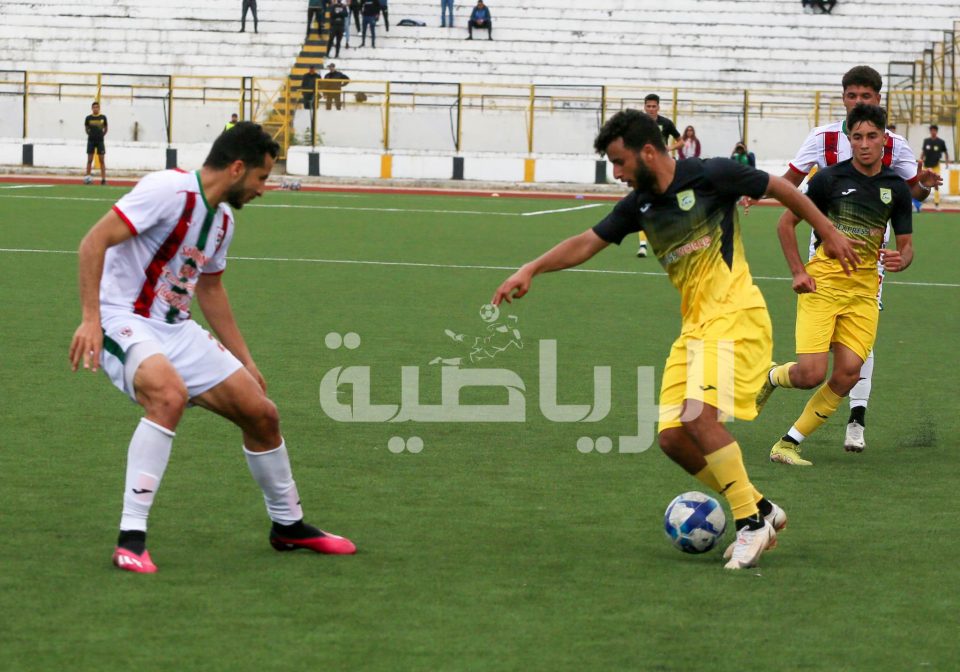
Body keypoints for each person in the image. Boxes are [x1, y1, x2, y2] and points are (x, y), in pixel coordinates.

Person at [490, 109, 862, 570]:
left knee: (699, 417)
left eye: (620, 162)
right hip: (695, 329)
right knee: (672, 437)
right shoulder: (640, 205)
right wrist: (531, 268)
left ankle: (749, 523)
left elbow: (780, 187)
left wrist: (827, 230)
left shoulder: (711, 175)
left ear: (648, 152)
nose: (617, 173)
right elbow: (587, 242)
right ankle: (762, 507)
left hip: (736, 315)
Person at [68, 122, 357, 573]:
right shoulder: (168, 190)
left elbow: (211, 289)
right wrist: (90, 319)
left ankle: (288, 526)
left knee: (262, 414)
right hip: (123, 319)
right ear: (237, 168)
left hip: (176, 329)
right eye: (262, 177)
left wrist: (245, 360)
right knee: (168, 396)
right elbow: (94, 242)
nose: (263, 188)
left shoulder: (223, 220)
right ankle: (131, 538)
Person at [780, 64, 941, 452]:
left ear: (878, 101)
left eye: (865, 96)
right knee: (816, 366)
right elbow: (791, 185)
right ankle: (780, 381)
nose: (857, 102)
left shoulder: (895, 145)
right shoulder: (822, 139)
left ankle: (856, 419)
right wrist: (754, 190)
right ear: (843, 100)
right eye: (852, 96)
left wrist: (922, 189)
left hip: (872, 262)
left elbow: (907, 196)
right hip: (823, 255)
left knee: (856, 351)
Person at [759, 104, 913, 466]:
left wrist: (901, 258)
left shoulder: (896, 188)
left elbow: (906, 246)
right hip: (823, 286)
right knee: (810, 375)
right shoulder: (828, 180)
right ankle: (772, 375)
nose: (864, 144)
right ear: (849, 139)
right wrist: (798, 272)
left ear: (884, 138)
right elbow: (785, 224)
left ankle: (788, 443)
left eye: (871, 136)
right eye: (857, 137)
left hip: (864, 292)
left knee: (847, 374)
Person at [634, 93, 682, 257]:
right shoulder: (638, 124)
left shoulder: (666, 123)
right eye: (648, 106)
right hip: (645, 168)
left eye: (654, 106)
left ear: (658, 107)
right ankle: (643, 246)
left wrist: (669, 148)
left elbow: (681, 141)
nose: (651, 109)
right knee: (643, 204)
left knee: (668, 203)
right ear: (644, 107)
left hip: (663, 169)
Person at [921, 124, 950, 210]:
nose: (933, 132)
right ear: (930, 131)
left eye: (934, 130)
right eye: (931, 130)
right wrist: (920, 161)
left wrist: (947, 162)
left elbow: (946, 152)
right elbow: (923, 152)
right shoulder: (926, 141)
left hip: (936, 166)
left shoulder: (941, 142)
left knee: (936, 184)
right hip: (926, 165)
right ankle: (920, 202)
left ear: (936, 131)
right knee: (923, 184)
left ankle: (936, 203)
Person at [84, 101, 108, 186]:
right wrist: (91, 135)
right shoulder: (88, 118)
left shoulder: (103, 117)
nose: (95, 109)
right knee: (89, 160)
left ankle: (103, 180)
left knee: (102, 160)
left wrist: (101, 135)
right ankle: (87, 179)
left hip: (100, 141)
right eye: (94, 107)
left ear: (99, 108)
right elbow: (86, 128)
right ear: (92, 108)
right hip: (91, 141)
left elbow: (106, 128)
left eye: (97, 107)